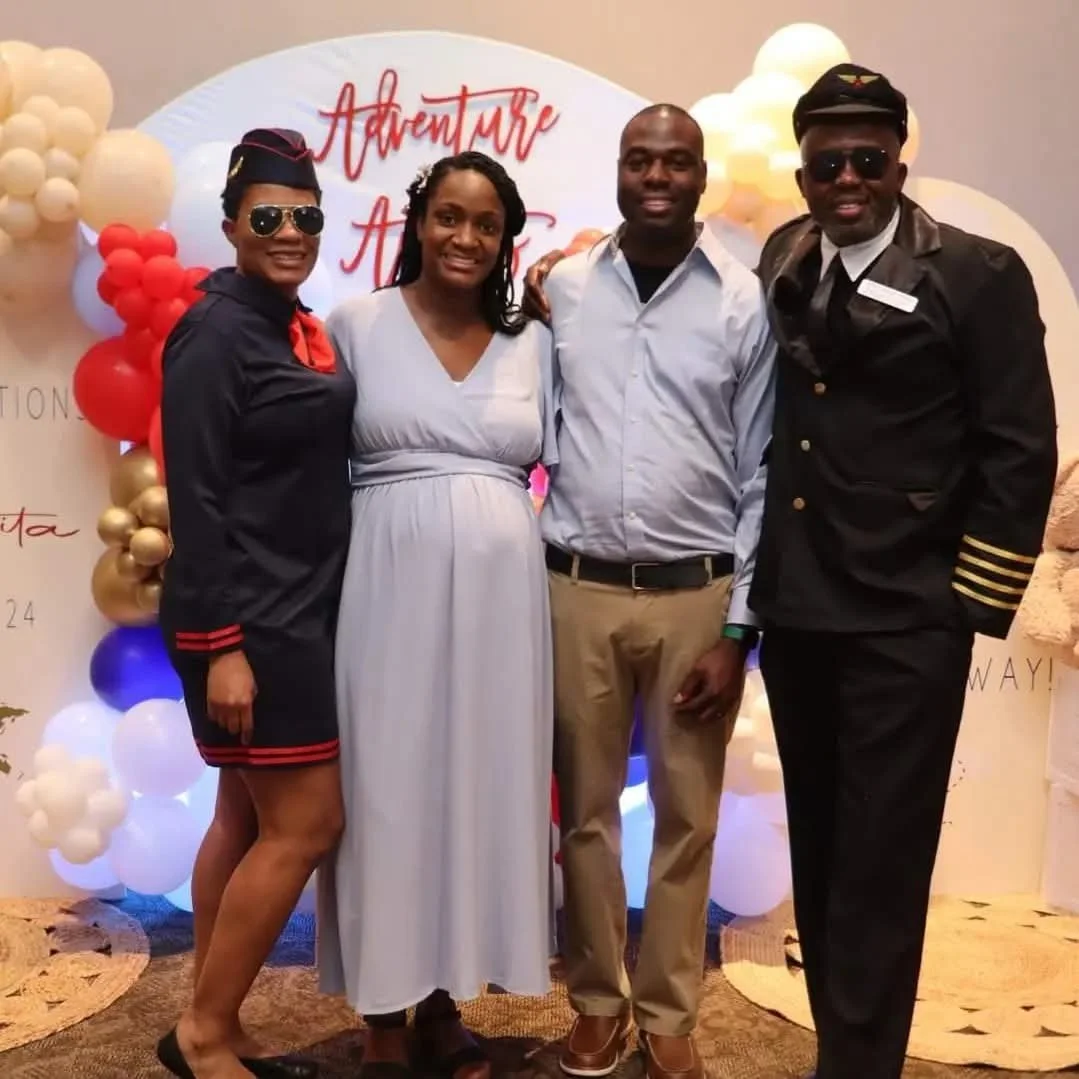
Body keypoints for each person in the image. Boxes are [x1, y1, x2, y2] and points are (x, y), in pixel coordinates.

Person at [747, 67, 1057, 1079]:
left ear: (897, 161)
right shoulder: (782, 256)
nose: (846, 177)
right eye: (826, 159)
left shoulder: (976, 271)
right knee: (823, 851)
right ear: (800, 171)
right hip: (798, 607)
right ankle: (844, 1042)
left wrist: (962, 601)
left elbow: (1016, 447)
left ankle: (858, 1062)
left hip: (903, 613)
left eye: (866, 159)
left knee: (882, 858)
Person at [522, 105, 776, 1079]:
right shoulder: (566, 288)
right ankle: (596, 1002)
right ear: (618, 171)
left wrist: (738, 628)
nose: (657, 174)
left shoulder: (740, 304)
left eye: (675, 160)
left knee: (686, 814)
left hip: (694, 600)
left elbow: (757, 473)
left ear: (699, 174)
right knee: (580, 812)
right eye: (640, 158)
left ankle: (667, 1011)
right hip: (574, 586)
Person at [317, 150, 555, 1079]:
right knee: (387, 784)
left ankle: (446, 998)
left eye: (486, 224)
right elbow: (310, 463)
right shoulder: (356, 324)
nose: (465, 237)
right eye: (448, 216)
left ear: (505, 240)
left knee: (476, 782)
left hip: (504, 602)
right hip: (382, 582)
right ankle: (381, 1012)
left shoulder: (534, 339)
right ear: (418, 221)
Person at [156, 128, 355, 1079]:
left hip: (295, 611)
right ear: (232, 223)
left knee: (241, 816)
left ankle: (218, 1023)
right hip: (249, 620)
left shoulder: (285, 321)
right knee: (307, 824)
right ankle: (202, 1032)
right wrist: (224, 645)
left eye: (305, 216)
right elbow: (191, 496)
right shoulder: (214, 330)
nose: (289, 230)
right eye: (268, 216)